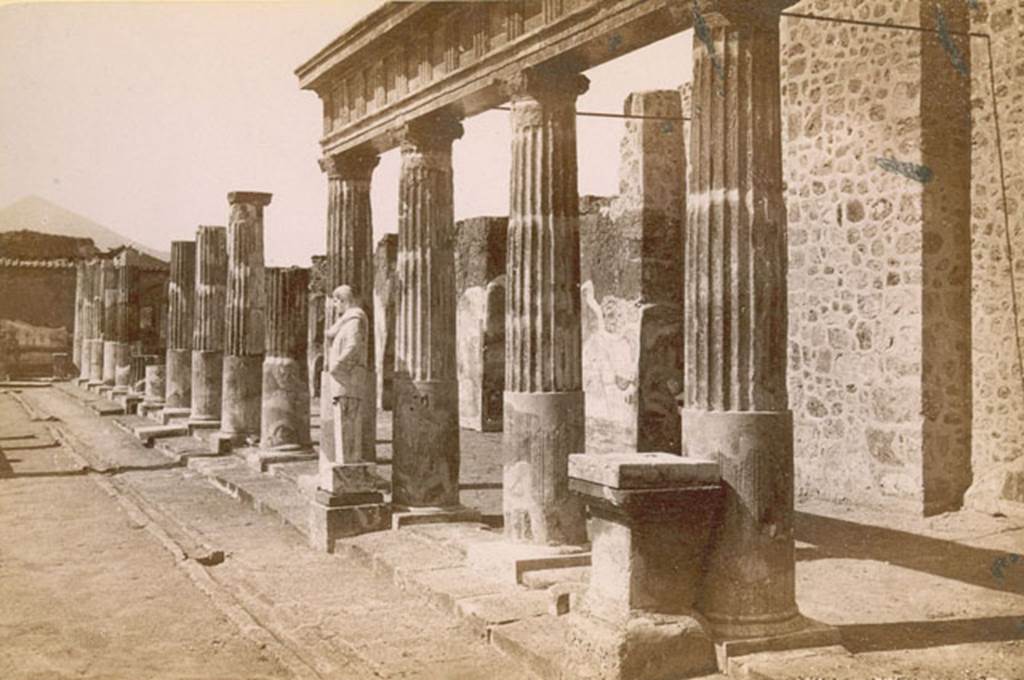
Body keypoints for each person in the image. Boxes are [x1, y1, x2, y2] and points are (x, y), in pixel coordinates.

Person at [325, 285, 369, 466]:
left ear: (343, 300)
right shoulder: (347, 322)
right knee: (344, 422)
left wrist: (337, 366)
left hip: (348, 379)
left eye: (336, 302)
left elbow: (353, 347)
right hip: (344, 380)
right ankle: (346, 462)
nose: (335, 307)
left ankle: (349, 463)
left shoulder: (353, 321)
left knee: (348, 422)